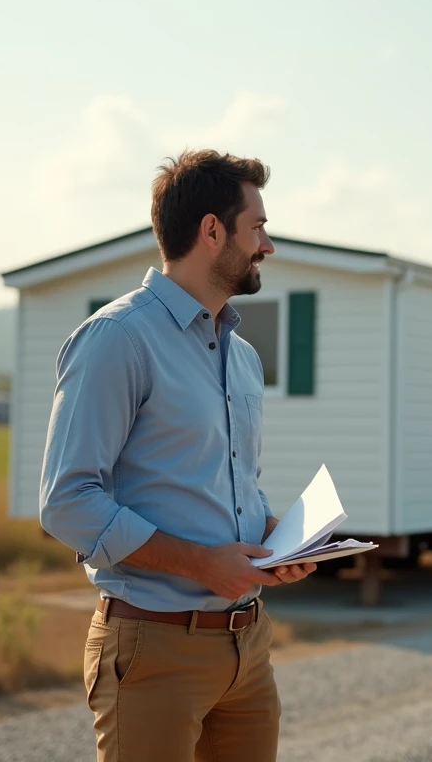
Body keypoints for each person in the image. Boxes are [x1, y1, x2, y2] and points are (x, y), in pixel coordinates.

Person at [38, 149, 315, 762]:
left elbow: (231, 484)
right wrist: (200, 564)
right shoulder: (117, 338)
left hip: (249, 647)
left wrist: (278, 541)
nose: (267, 245)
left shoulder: (241, 356)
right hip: (152, 647)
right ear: (212, 231)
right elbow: (67, 502)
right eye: (258, 228)